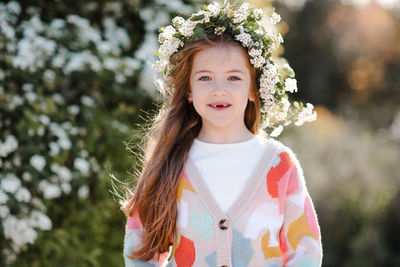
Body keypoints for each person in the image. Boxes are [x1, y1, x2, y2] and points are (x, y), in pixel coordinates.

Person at [121, 1, 322, 266]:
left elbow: (306, 250)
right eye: (205, 78)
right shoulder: (169, 161)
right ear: (189, 90)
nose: (219, 89)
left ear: (253, 89)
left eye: (234, 78)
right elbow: (140, 249)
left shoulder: (280, 164)